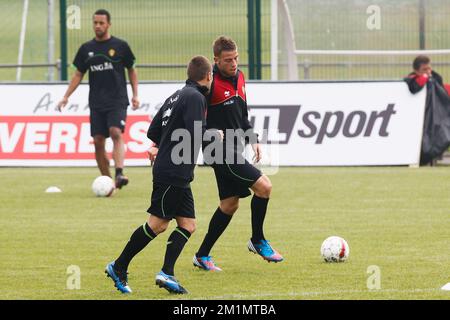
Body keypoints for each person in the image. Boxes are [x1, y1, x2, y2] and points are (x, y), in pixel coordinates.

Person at [105, 55, 214, 294]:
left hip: (176, 171)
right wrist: (216, 136)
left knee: (188, 224)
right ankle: (119, 266)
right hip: (173, 170)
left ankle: (166, 272)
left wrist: (156, 145)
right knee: (158, 224)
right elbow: (198, 131)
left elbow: (154, 129)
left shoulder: (176, 95)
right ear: (208, 76)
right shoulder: (196, 97)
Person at [192, 36, 283, 271]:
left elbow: (242, 115)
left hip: (235, 147)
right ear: (216, 61)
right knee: (265, 187)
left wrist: (253, 140)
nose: (233, 63)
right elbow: (194, 118)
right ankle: (258, 240)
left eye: (236, 58)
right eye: (228, 60)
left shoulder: (240, 77)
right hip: (217, 150)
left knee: (229, 204)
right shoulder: (207, 83)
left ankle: (202, 255)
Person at [57, 9, 139, 189]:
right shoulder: (86, 49)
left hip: (117, 99)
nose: (98, 26)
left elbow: (131, 70)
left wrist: (135, 94)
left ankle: (119, 173)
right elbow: (78, 74)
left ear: (109, 24)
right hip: (96, 102)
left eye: (101, 23)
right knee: (98, 141)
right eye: (95, 23)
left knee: (116, 132)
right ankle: (108, 182)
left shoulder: (120, 46)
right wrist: (65, 97)